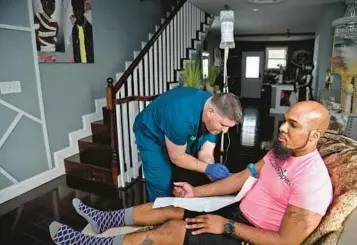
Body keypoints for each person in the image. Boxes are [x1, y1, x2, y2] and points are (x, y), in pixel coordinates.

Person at [49, 101, 333, 245]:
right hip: (237, 212)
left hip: (250, 235)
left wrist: (227, 227)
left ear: (315, 134)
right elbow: (241, 178)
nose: (282, 129)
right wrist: (196, 193)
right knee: (172, 207)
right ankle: (104, 219)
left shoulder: (313, 181)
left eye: (293, 125)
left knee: (173, 230)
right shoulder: (278, 153)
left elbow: (285, 242)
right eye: (285, 122)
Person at [133, 87, 243, 201]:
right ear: (210, 112)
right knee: (162, 182)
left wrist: (212, 173)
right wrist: (207, 168)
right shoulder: (182, 116)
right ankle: (161, 215)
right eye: (223, 125)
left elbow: (205, 152)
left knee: (183, 175)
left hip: (176, 130)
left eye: (229, 127)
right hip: (151, 134)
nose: (225, 131)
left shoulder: (214, 109)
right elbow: (177, 157)